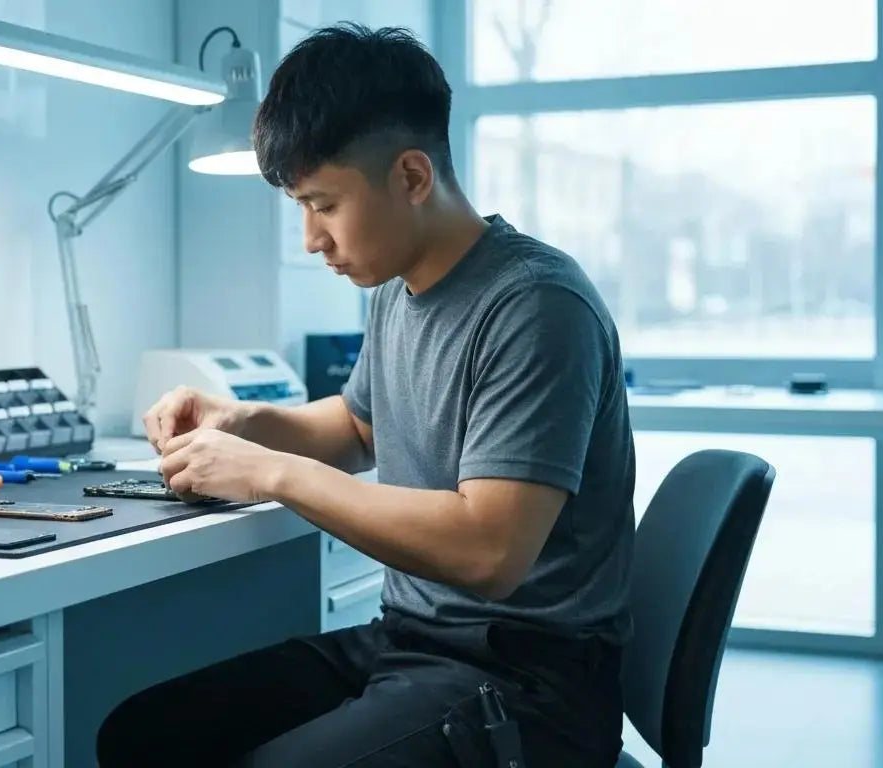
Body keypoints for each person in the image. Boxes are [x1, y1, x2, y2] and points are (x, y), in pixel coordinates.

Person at [96, 23, 635, 768]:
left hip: (529, 684)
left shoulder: (536, 307)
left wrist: (272, 474)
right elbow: (357, 426)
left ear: (413, 177)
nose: (312, 238)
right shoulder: (397, 290)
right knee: (141, 734)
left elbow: (491, 551)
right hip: (411, 642)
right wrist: (243, 423)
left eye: (323, 204)